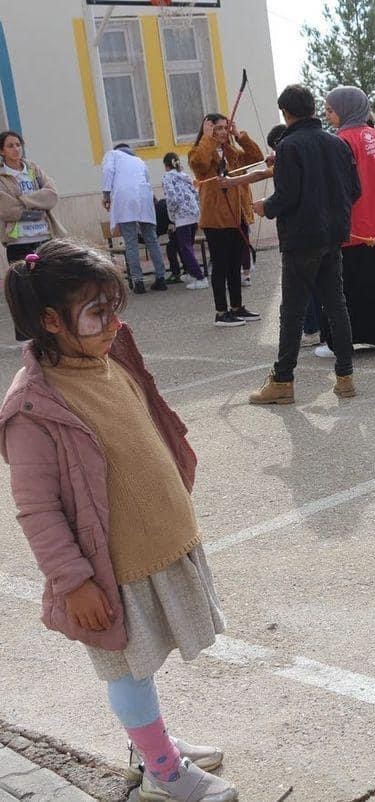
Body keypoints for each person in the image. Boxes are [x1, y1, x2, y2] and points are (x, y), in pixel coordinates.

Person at [0, 239, 237, 801]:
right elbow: (37, 510)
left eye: (115, 306)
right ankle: (162, 772)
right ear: (51, 320)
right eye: (97, 312)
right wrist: (74, 582)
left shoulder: (106, 357)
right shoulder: (33, 407)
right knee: (127, 670)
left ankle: (149, 742)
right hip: (109, 571)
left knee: (144, 662)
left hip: (152, 549)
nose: (113, 322)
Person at [248, 84, 360, 405]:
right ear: (312, 109)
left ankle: (283, 380)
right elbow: (354, 190)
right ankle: (345, 377)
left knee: (293, 312)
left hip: (301, 238)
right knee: (336, 305)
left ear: (286, 113)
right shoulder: (338, 143)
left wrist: (264, 207)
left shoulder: (289, 146)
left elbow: (286, 197)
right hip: (333, 234)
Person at [320, 86, 375, 357]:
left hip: (356, 225)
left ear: (344, 109)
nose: (328, 115)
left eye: (330, 110)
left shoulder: (340, 140)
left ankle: (342, 342)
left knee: (348, 286)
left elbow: (338, 187)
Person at [188, 112, 264, 327]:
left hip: (237, 216)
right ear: (208, 129)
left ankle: (237, 307)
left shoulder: (232, 152)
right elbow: (199, 163)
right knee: (220, 266)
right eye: (217, 128)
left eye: (225, 127)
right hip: (217, 219)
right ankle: (221, 312)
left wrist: (239, 136)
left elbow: (256, 157)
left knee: (235, 265)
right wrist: (207, 138)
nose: (222, 132)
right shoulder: (200, 151)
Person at [101, 144, 167, 294]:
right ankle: (161, 278)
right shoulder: (139, 160)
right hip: (144, 197)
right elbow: (147, 181)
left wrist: (106, 195)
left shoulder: (112, 154)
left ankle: (138, 282)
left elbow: (107, 171)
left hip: (125, 198)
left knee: (131, 243)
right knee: (151, 239)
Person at [0, 131, 63, 279]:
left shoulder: (33, 170)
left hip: (44, 236)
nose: (16, 149)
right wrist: (36, 204)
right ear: (2, 151)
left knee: (49, 281)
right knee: (25, 285)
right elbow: (5, 208)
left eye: (18, 144)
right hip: (18, 241)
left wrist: (22, 200)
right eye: (10, 146)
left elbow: (51, 195)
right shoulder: (2, 176)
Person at [161, 153, 207, 290]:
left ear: (166, 165)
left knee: (185, 248)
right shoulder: (185, 176)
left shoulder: (167, 177)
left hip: (182, 217)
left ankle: (200, 277)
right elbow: (196, 194)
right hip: (194, 214)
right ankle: (191, 273)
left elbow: (172, 198)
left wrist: (172, 217)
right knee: (188, 246)